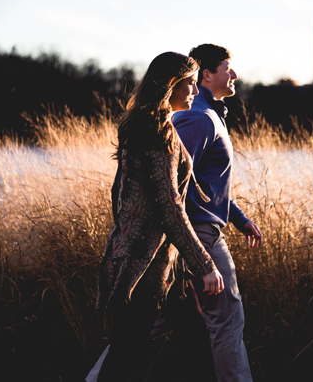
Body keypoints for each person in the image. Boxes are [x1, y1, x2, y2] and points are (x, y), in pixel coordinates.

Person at [95, 51, 224, 382]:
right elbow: (170, 206)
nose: (196, 92)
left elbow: (119, 195)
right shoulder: (155, 132)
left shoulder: (146, 124)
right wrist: (205, 265)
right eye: (191, 85)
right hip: (146, 265)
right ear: (171, 86)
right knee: (126, 354)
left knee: (196, 342)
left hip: (164, 262)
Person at [172, 43, 263, 382]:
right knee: (227, 319)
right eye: (228, 68)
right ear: (207, 75)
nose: (234, 74)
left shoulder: (210, 115)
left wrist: (239, 219)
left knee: (154, 319)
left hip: (192, 230)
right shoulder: (198, 117)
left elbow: (203, 184)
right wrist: (194, 238)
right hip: (199, 234)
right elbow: (176, 182)